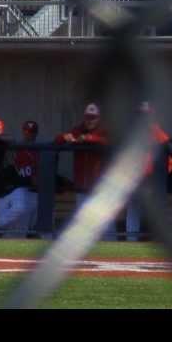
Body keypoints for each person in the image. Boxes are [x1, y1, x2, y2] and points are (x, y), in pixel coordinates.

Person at [125, 102, 172, 241]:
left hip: (150, 177)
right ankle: (130, 241)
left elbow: (166, 142)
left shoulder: (153, 129)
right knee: (133, 209)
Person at [55, 103, 112, 240]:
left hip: (100, 187)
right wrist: (65, 137)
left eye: (93, 118)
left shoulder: (105, 130)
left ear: (99, 118)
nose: (89, 120)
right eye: (87, 117)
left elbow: (109, 142)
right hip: (81, 186)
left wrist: (88, 138)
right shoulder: (78, 129)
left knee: (105, 225)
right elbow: (57, 141)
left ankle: (113, 252)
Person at [14, 120, 41, 233]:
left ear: (36, 133)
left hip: (37, 191)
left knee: (37, 227)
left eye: (31, 132)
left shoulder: (41, 149)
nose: (28, 134)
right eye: (26, 131)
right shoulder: (17, 148)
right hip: (22, 190)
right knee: (22, 228)